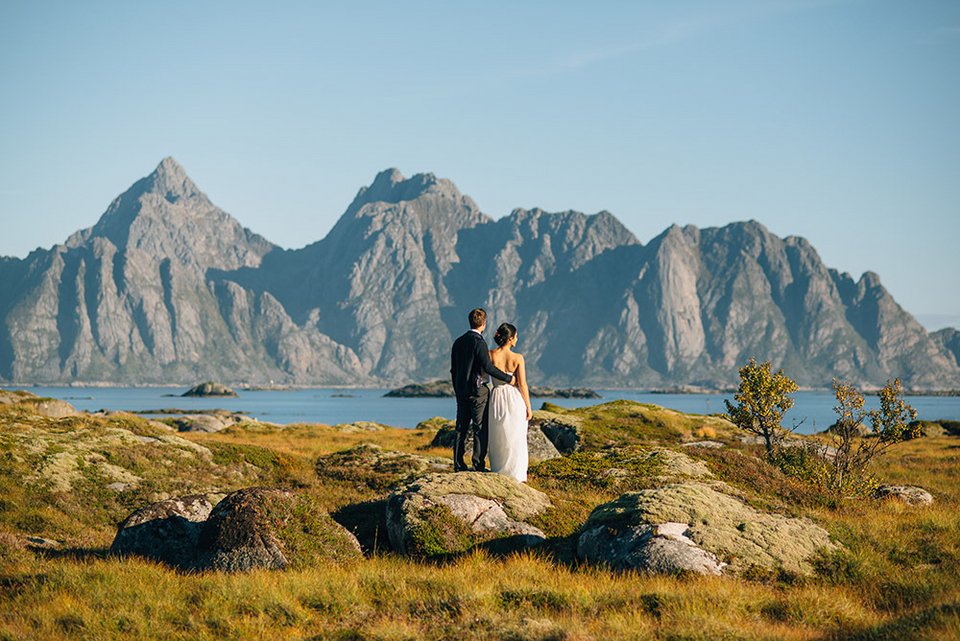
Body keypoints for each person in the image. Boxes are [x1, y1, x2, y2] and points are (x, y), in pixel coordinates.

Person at [450, 308, 513, 472]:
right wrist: (508, 378)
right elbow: (488, 367)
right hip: (479, 391)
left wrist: (457, 388)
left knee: (460, 428)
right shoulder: (479, 343)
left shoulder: (458, 342)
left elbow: (453, 370)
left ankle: (458, 464)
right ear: (484, 323)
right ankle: (478, 464)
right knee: (479, 428)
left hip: (461, 390)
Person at [486, 322, 532, 482]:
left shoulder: (491, 354)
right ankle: (516, 473)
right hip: (514, 399)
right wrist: (528, 406)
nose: (517, 339)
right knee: (516, 436)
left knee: (498, 434)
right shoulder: (518, 358)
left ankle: (499, 469)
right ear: (511, 338)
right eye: (516, 336)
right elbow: (522, 384)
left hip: (497, 397)